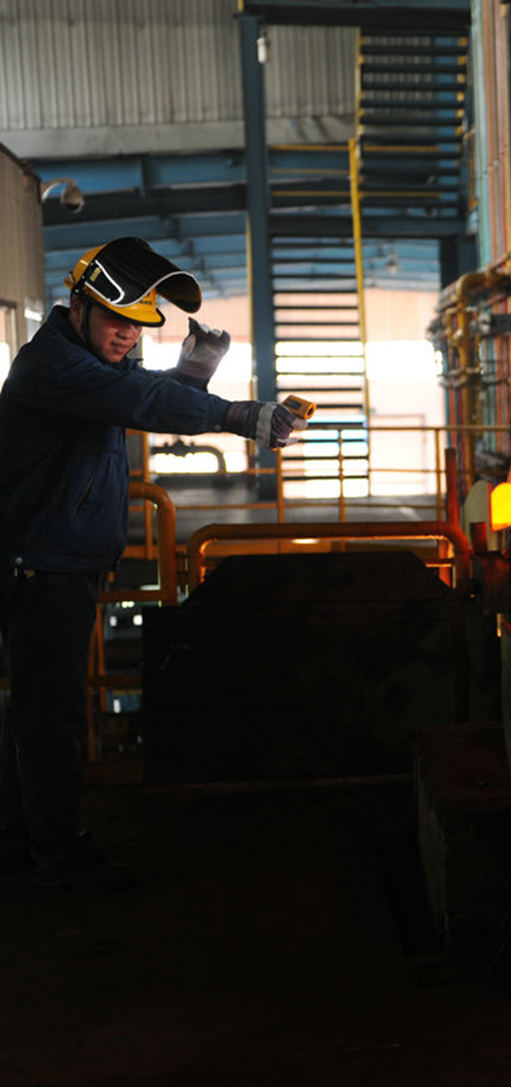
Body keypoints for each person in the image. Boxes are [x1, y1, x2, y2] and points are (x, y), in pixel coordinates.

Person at [0, 236, 306, 890]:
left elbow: (136, 391)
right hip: (43, 564)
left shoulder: (83, 364)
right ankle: (57, 858)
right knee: (49, 715)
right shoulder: (50, 364)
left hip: (59, 559)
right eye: (117, 321)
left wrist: (189, 376)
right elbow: (137, 400)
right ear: (78, 306)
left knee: (35, 708)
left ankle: (21, 841)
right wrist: (239, 415)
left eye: (138, 325)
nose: (128, 336)